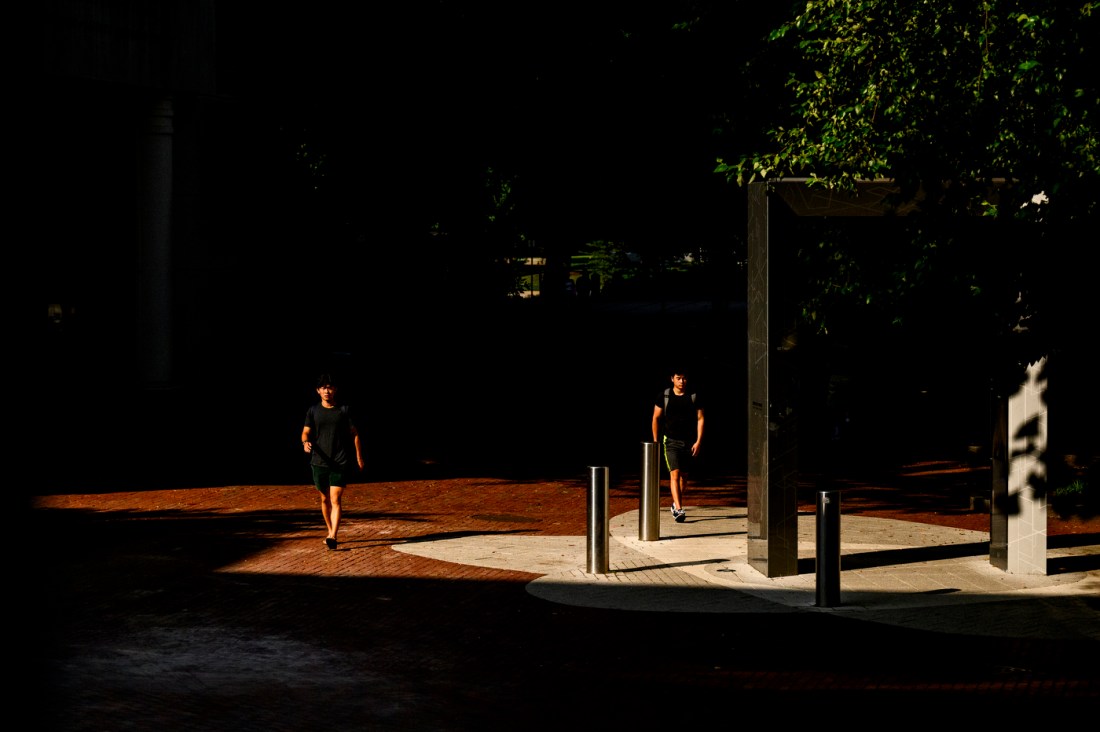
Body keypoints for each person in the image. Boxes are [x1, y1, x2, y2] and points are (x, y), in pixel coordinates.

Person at [302, 373, 364, 549]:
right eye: (323, 388)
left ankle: (333, 536)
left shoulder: (343, 410)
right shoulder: (313, 411)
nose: (326, 391)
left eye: (329, 387)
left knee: (335, 499)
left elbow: (355, 434)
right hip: (319, 462)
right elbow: (305, 431)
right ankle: (330, 531)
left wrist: (359, 456)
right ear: (318, 391)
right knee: (324, 499)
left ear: (335, 390)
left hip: (340, 461)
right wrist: (305, 442)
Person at [651, 370, 704, 522]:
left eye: (684, 378)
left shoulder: (693, 397)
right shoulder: (665, 396)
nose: (682, 381)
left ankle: (675, 504)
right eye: (678, 378)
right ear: (672, 379)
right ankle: (679, 510)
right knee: (675, 474)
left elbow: (701, 419)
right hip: (671, 442)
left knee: (684, 477)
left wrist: (698, 441)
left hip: (689, 442)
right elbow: (655, 418)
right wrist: (656, 440)